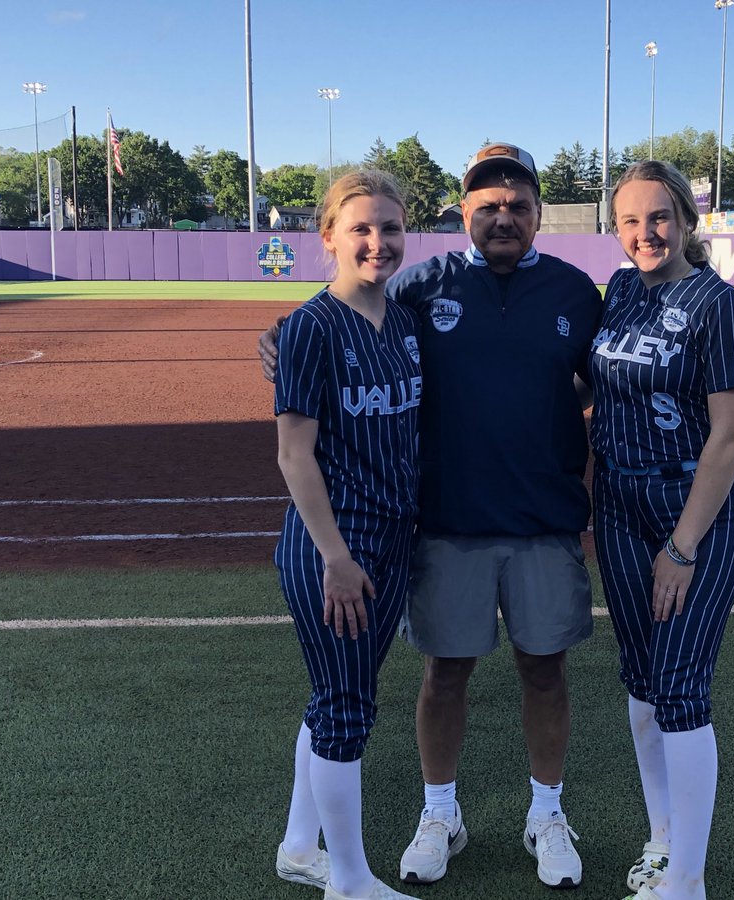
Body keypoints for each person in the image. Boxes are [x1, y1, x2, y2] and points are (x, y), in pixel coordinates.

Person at [260, 143, 602, 890]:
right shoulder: (419, 288)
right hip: (447, 524)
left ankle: (546, 813)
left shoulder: (577, 293)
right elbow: (339, 323)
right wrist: (281, 343)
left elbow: (598, 380)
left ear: (539, 212)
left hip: (543, 522)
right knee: (443, 674)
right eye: (487, 206)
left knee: (545, 672)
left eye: (517, 204)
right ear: (464, 212)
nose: (502, 216)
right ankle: (440, 812)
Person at [588, 161, 734, 900]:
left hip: (692, 512)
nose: (644, 233)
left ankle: (686, 880)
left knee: (682, 689)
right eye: (629, 220)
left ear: (687, 221)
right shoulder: (620, 289)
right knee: (642, 680)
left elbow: (728, 439)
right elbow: (587, 382)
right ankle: (662, 842)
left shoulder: (720, 306)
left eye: (658, 217)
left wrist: (682, 548)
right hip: (618, 506)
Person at [271, 170, 423, 900]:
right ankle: (352, 882)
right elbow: (294, 454)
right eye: (360, 228)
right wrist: (334, 557)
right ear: (327, 236)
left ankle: (302, 849)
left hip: (392, 539)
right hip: (337, 546)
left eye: (389, 228)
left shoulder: (404, 322)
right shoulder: (308, 327)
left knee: (334, 693)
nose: (377, 241)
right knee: (346, 710)